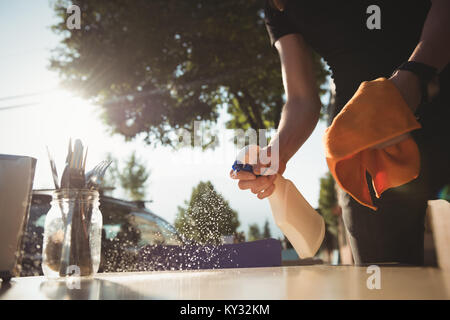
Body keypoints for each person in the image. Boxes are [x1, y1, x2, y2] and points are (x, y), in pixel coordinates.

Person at [230, 0, 449, 265]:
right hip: (359, 143)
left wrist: (416, 75)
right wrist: (276, 152)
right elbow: (301, 99)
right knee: (382, 279)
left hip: (438, 91)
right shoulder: (276, 6)